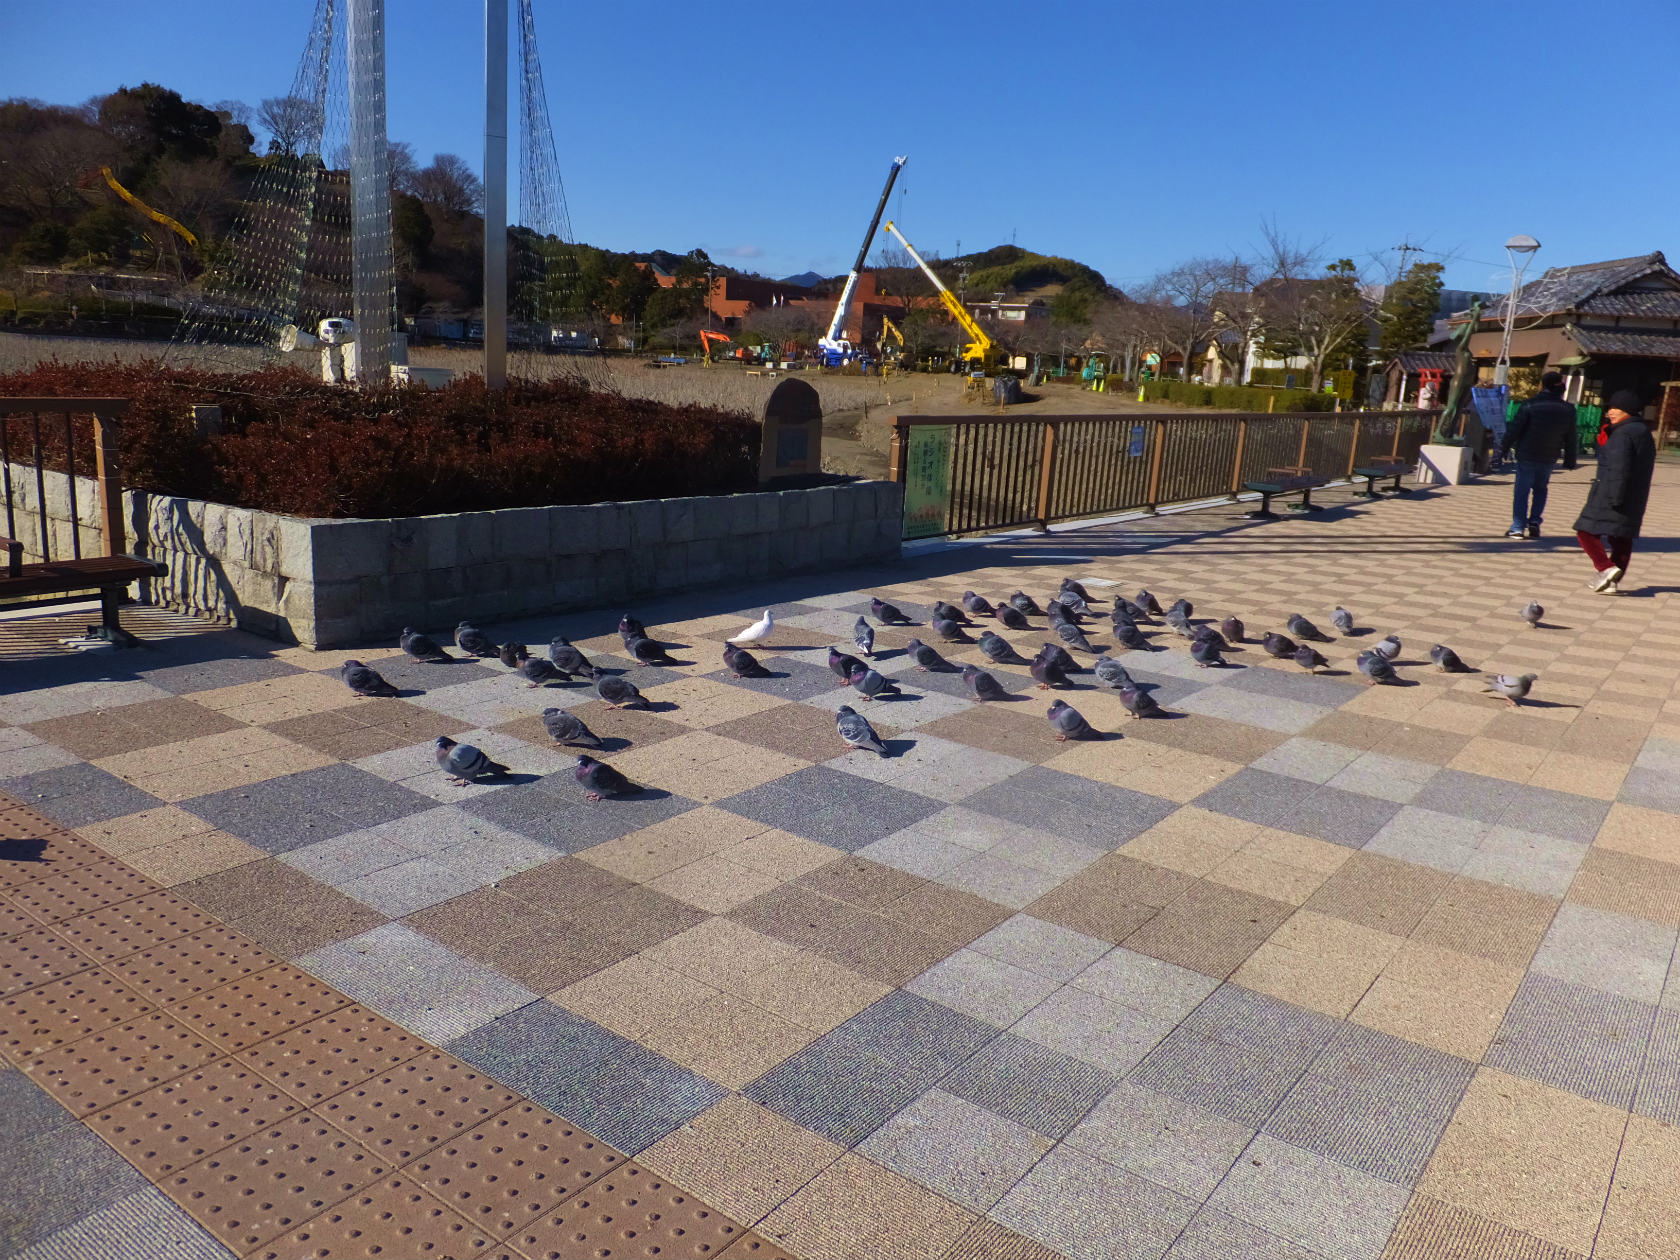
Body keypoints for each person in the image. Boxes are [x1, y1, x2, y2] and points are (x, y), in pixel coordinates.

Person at [1574, 390, 1657, 593]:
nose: (1609, 412)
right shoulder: (1642, 431)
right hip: (1634, 494)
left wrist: (1614, 496)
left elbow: (1619, 466)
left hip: (1612, 491)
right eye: (1609, 408)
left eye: (1615, 408)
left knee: (1585, 531)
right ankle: (1611, 583)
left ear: (1627, 410)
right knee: (1621, 537)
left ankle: (1606, 568)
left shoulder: (1623, 433)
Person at [1501, 371, 1578, 538]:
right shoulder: (1568, 409)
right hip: (1549, 455)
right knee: (1541, 489)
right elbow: (1571, 436)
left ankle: (1518, 527)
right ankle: (1535, 521)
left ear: (1543, 385)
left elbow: (1515, 429)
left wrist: (1503, 448)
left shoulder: (1530, 404)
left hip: (1527, 453)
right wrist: (1570, 459)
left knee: (1522, 491)